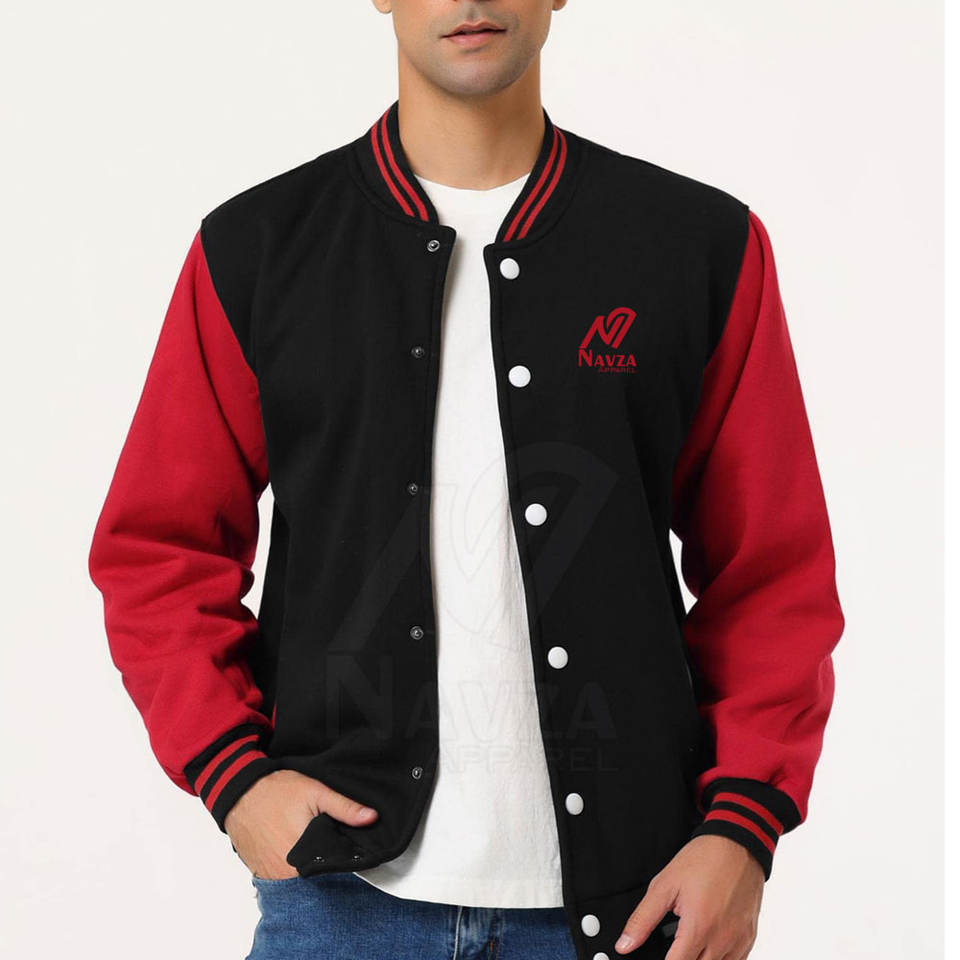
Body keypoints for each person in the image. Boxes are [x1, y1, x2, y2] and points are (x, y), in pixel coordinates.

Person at [87, 2, 845, 959]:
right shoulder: (258, 249)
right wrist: (234, 778)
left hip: (636, 905)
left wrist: (743, 827)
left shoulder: (696, 245)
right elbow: (157, 550)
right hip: (342, 902)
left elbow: (772, 572)